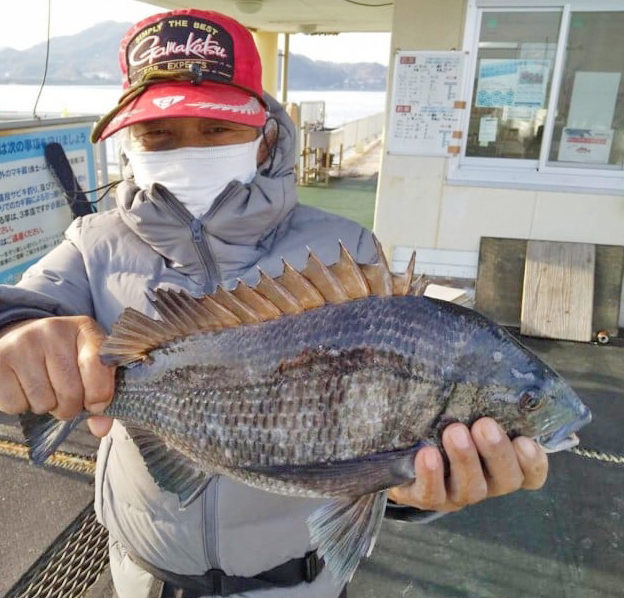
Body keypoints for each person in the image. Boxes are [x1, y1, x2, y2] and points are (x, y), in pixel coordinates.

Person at [0, 9, 548, 598]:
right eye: (158, 134)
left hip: (299, 582)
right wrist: (19, 335)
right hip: (146, 574)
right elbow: (27, 305)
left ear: (265, 135)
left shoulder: (347, 249)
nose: (189, 148)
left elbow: (383, 469)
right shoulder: (92, 243)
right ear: (131, 144)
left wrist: (413, 491)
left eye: (217, 128)